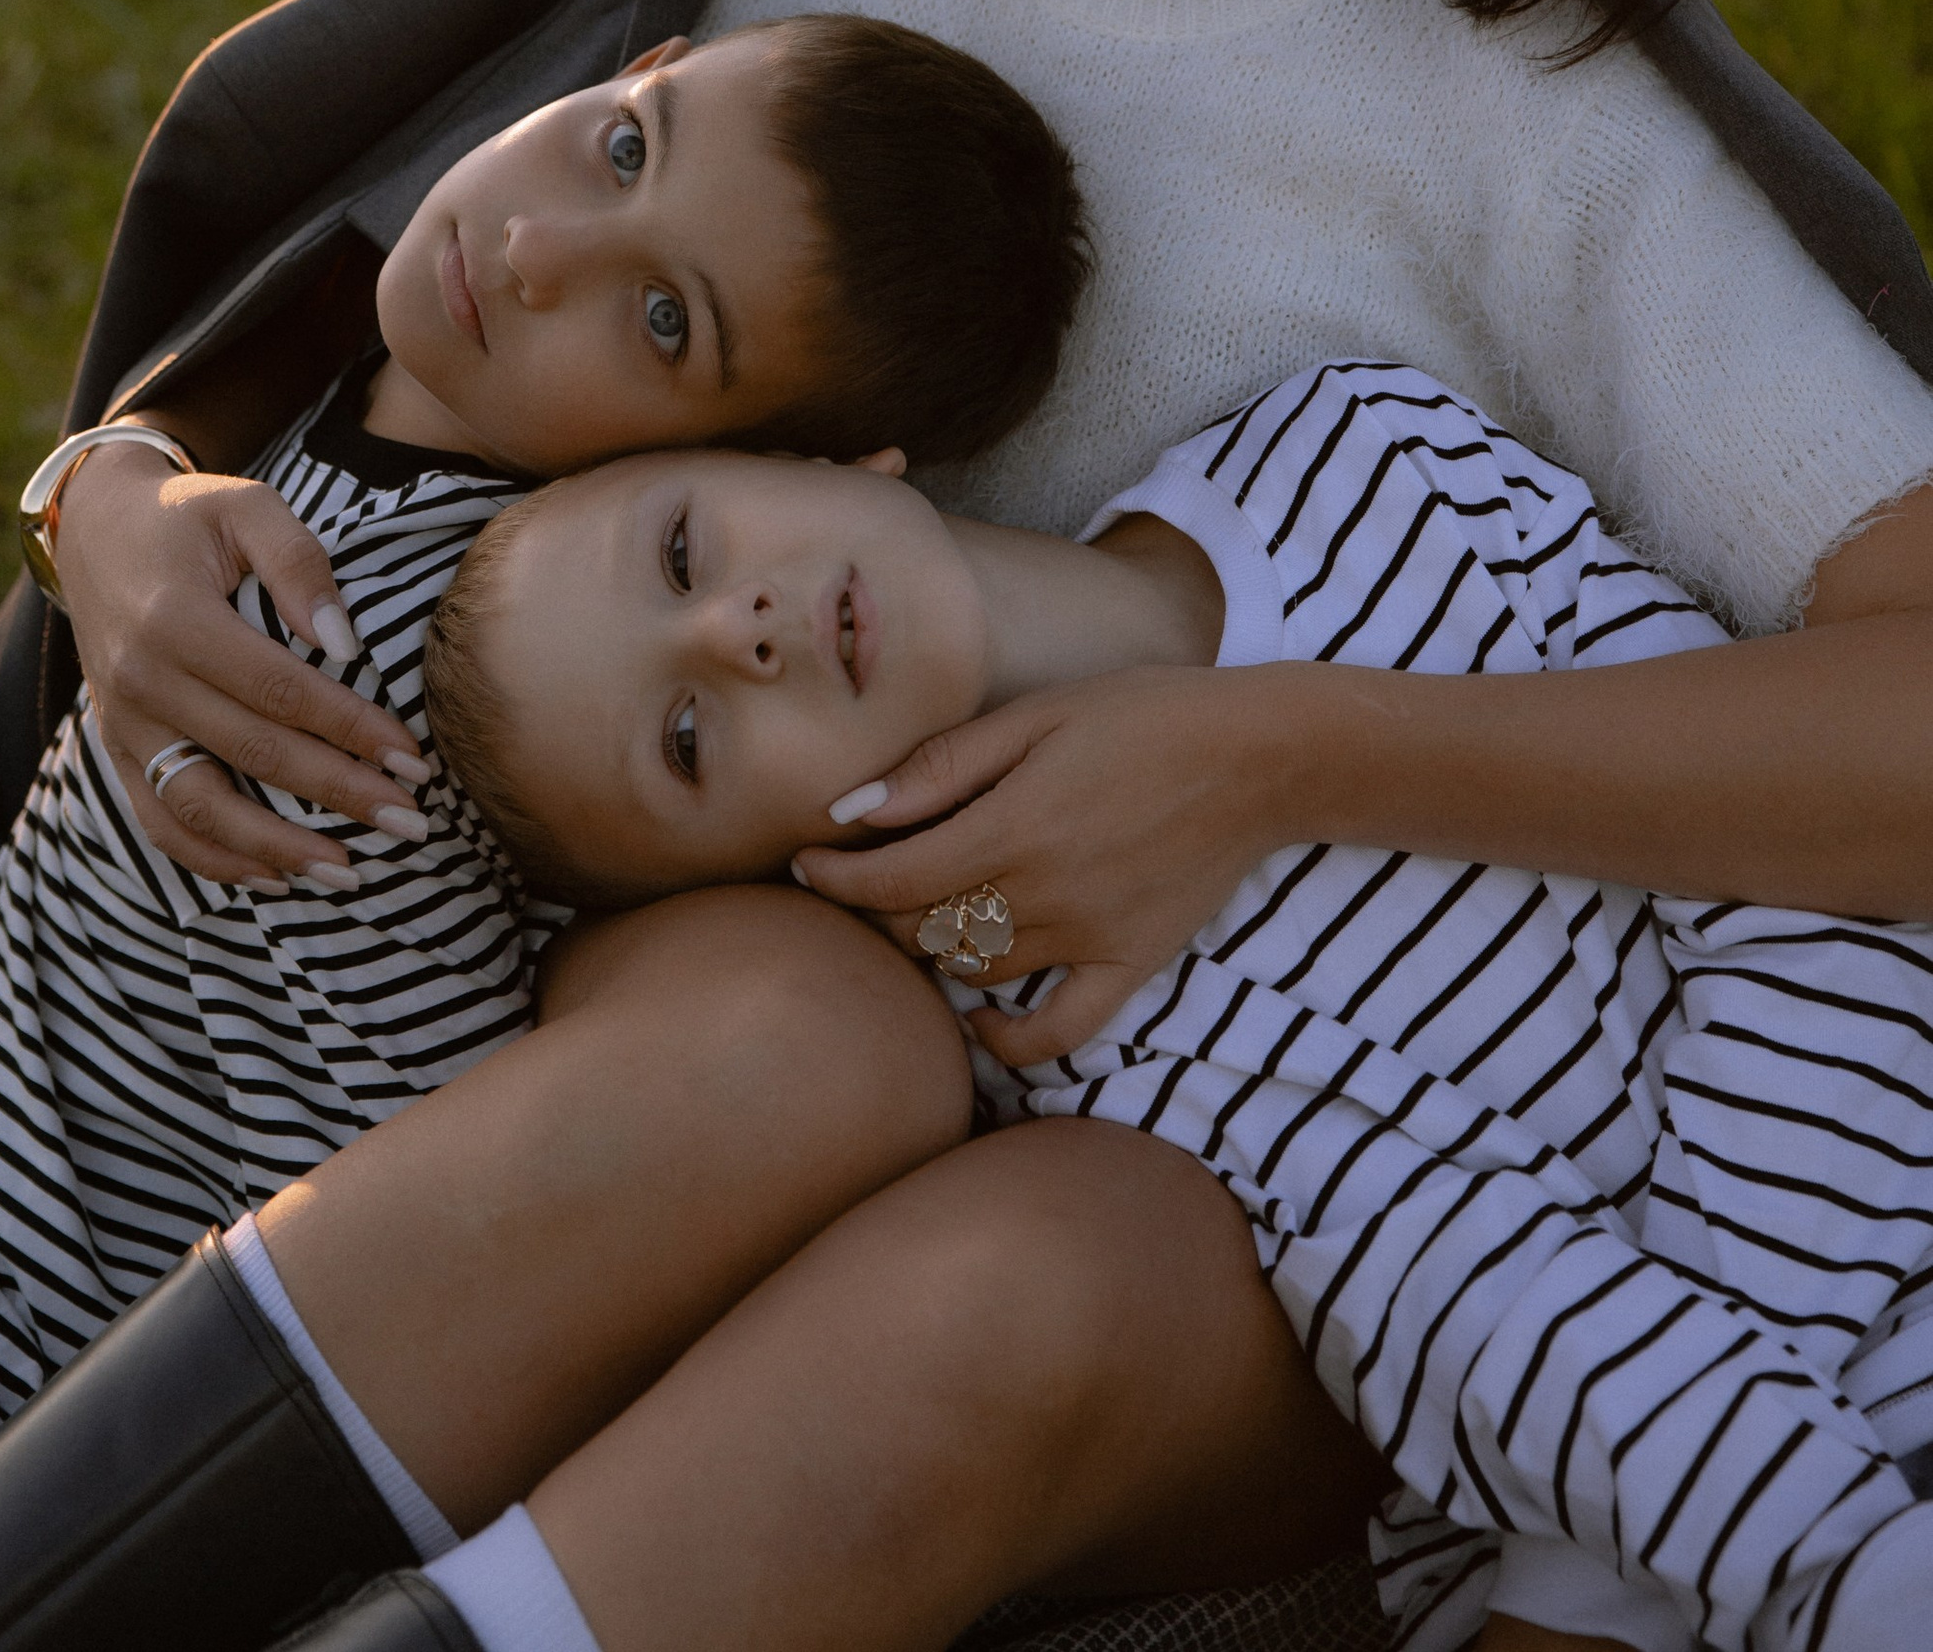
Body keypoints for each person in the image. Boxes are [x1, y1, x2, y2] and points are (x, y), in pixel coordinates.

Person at [0, 0, 1933, 1652]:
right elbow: (409, 287)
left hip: (1288, 1159)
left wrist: (1269, 752)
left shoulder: (1523, 103)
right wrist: (109, 487)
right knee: (793, 1024)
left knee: (989, 1227)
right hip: (643, 961)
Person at [0, 19, 1078, 1651]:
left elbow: (868, 885)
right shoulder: (385, 360)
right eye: (626, 145)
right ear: (636, 65)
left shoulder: (504, 666)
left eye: (658, 319)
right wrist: (116, 472)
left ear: (744, 459)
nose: (539, 247)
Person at [407, 365, 1933, 1652]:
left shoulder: (1359, 459)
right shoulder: (1037, 993)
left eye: (684, 550)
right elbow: (1469, 1297)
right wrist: (1801, 1540)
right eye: (687, 738)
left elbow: (1798, 880)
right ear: (782, 865)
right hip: (1715, 1522)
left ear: (817, 452)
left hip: (1710, 1500)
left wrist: (1744, 1443)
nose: (733, 632)